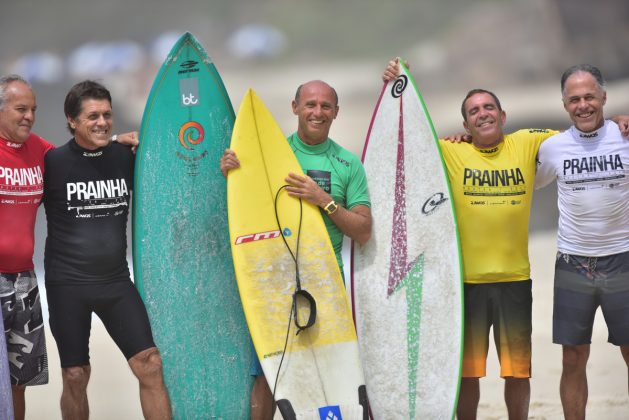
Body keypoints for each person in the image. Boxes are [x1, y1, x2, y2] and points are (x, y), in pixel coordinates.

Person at [383, 58, 629, 420]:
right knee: (475, 373)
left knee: (518, 371)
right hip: (478, 279)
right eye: (474, 112)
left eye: (489, 108)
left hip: (530, 277)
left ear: (503, 114)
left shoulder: (541, 142)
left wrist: (622, 121)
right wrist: (394, 89)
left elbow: (576, 139)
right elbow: (405, 143)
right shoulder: (456, 149)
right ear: (465, 124)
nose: (482, 115)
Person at [220, 79, 372, 420]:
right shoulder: (265, 157)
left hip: (326, 282)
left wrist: (324, 201)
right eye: (310, 105)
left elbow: (363, 230)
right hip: (272, 282)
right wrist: (230, 175)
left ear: (336, 112)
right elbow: (242, 214)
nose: (318, 112)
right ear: (294, 108)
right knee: (271, 371)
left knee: (331, 372)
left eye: (325, 106)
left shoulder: (348, 164)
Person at [0, 74, 138, 420]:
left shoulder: (41, 153)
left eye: (32, 109)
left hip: (25, 281)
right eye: (20, 109)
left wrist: (116, 139)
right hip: (33, 280)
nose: (29, 116)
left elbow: (81, 151)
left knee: (19, 379)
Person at [42, 80, 171, 420]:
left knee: (150, 364)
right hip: (67, 285)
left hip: (115, 282)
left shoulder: (127, 157)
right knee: (75, 375)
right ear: (72, 120)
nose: (102, 122)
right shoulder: (52, 163)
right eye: (92, 116)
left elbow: (177, 171)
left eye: (107, 115)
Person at [535, 64, 629, 420]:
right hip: (574, 263)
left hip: (623, 258)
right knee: (573, 355)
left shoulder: (624, 136)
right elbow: (520, 174)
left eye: (590, 96)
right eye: (574, 99)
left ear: (604, 97)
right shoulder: (553, 148)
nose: (583, 105)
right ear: (564, 105)